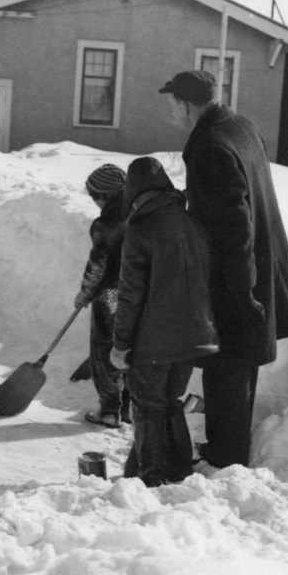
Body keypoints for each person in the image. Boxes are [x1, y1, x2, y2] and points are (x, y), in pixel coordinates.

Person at [159, 69, 288, 468]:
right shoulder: (239, 125)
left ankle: (226, 458)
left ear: (186, 105)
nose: (170, 113)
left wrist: (242, 294)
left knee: (226, 367)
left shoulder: (209, 146)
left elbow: (232, 227)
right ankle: (229, 449)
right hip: (261, 261)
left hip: (238, 272)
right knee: (237, 369)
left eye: (172, 104)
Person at [110, 157, 219, 486]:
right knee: (168, 401)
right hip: (194, 334)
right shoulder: (192, 223)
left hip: (155, 339)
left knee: (146, 405)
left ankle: (150, 477)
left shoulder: (141, 230)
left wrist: (120, 345)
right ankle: (178, 470)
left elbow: (130, 297)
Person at [73, 164, 130, 429]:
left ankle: (110, 410)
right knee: (130, 349)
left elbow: (98, 266)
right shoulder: (138, 213)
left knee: (104, 349)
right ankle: (129, 408)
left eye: (93, 195)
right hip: (139, 294)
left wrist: (85, 294)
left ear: (102, 195)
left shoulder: (107, 224)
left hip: (111, 296)